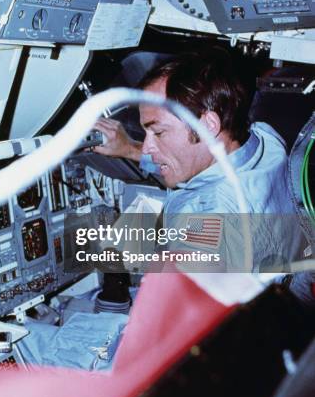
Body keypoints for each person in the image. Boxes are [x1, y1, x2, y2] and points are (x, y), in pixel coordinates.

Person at [92, 47, 306, 271]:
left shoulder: (204, 219)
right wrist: (129, 148)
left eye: (158, 132)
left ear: (208, 125)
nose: (147, 147)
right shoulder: (266, 139)